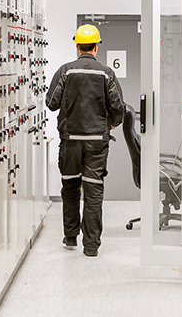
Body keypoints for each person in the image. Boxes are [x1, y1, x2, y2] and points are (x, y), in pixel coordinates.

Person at [46, 24, 125, 257]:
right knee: (93, 191)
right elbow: (118, 107)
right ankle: (91, 246)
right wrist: (111, 123)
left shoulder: (65, 71)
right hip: (97, 143)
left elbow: (51, 103)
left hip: (70, 142)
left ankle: (70, 236)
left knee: (70, 187)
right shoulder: (106, 73)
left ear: (77, 45)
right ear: (96, 47)